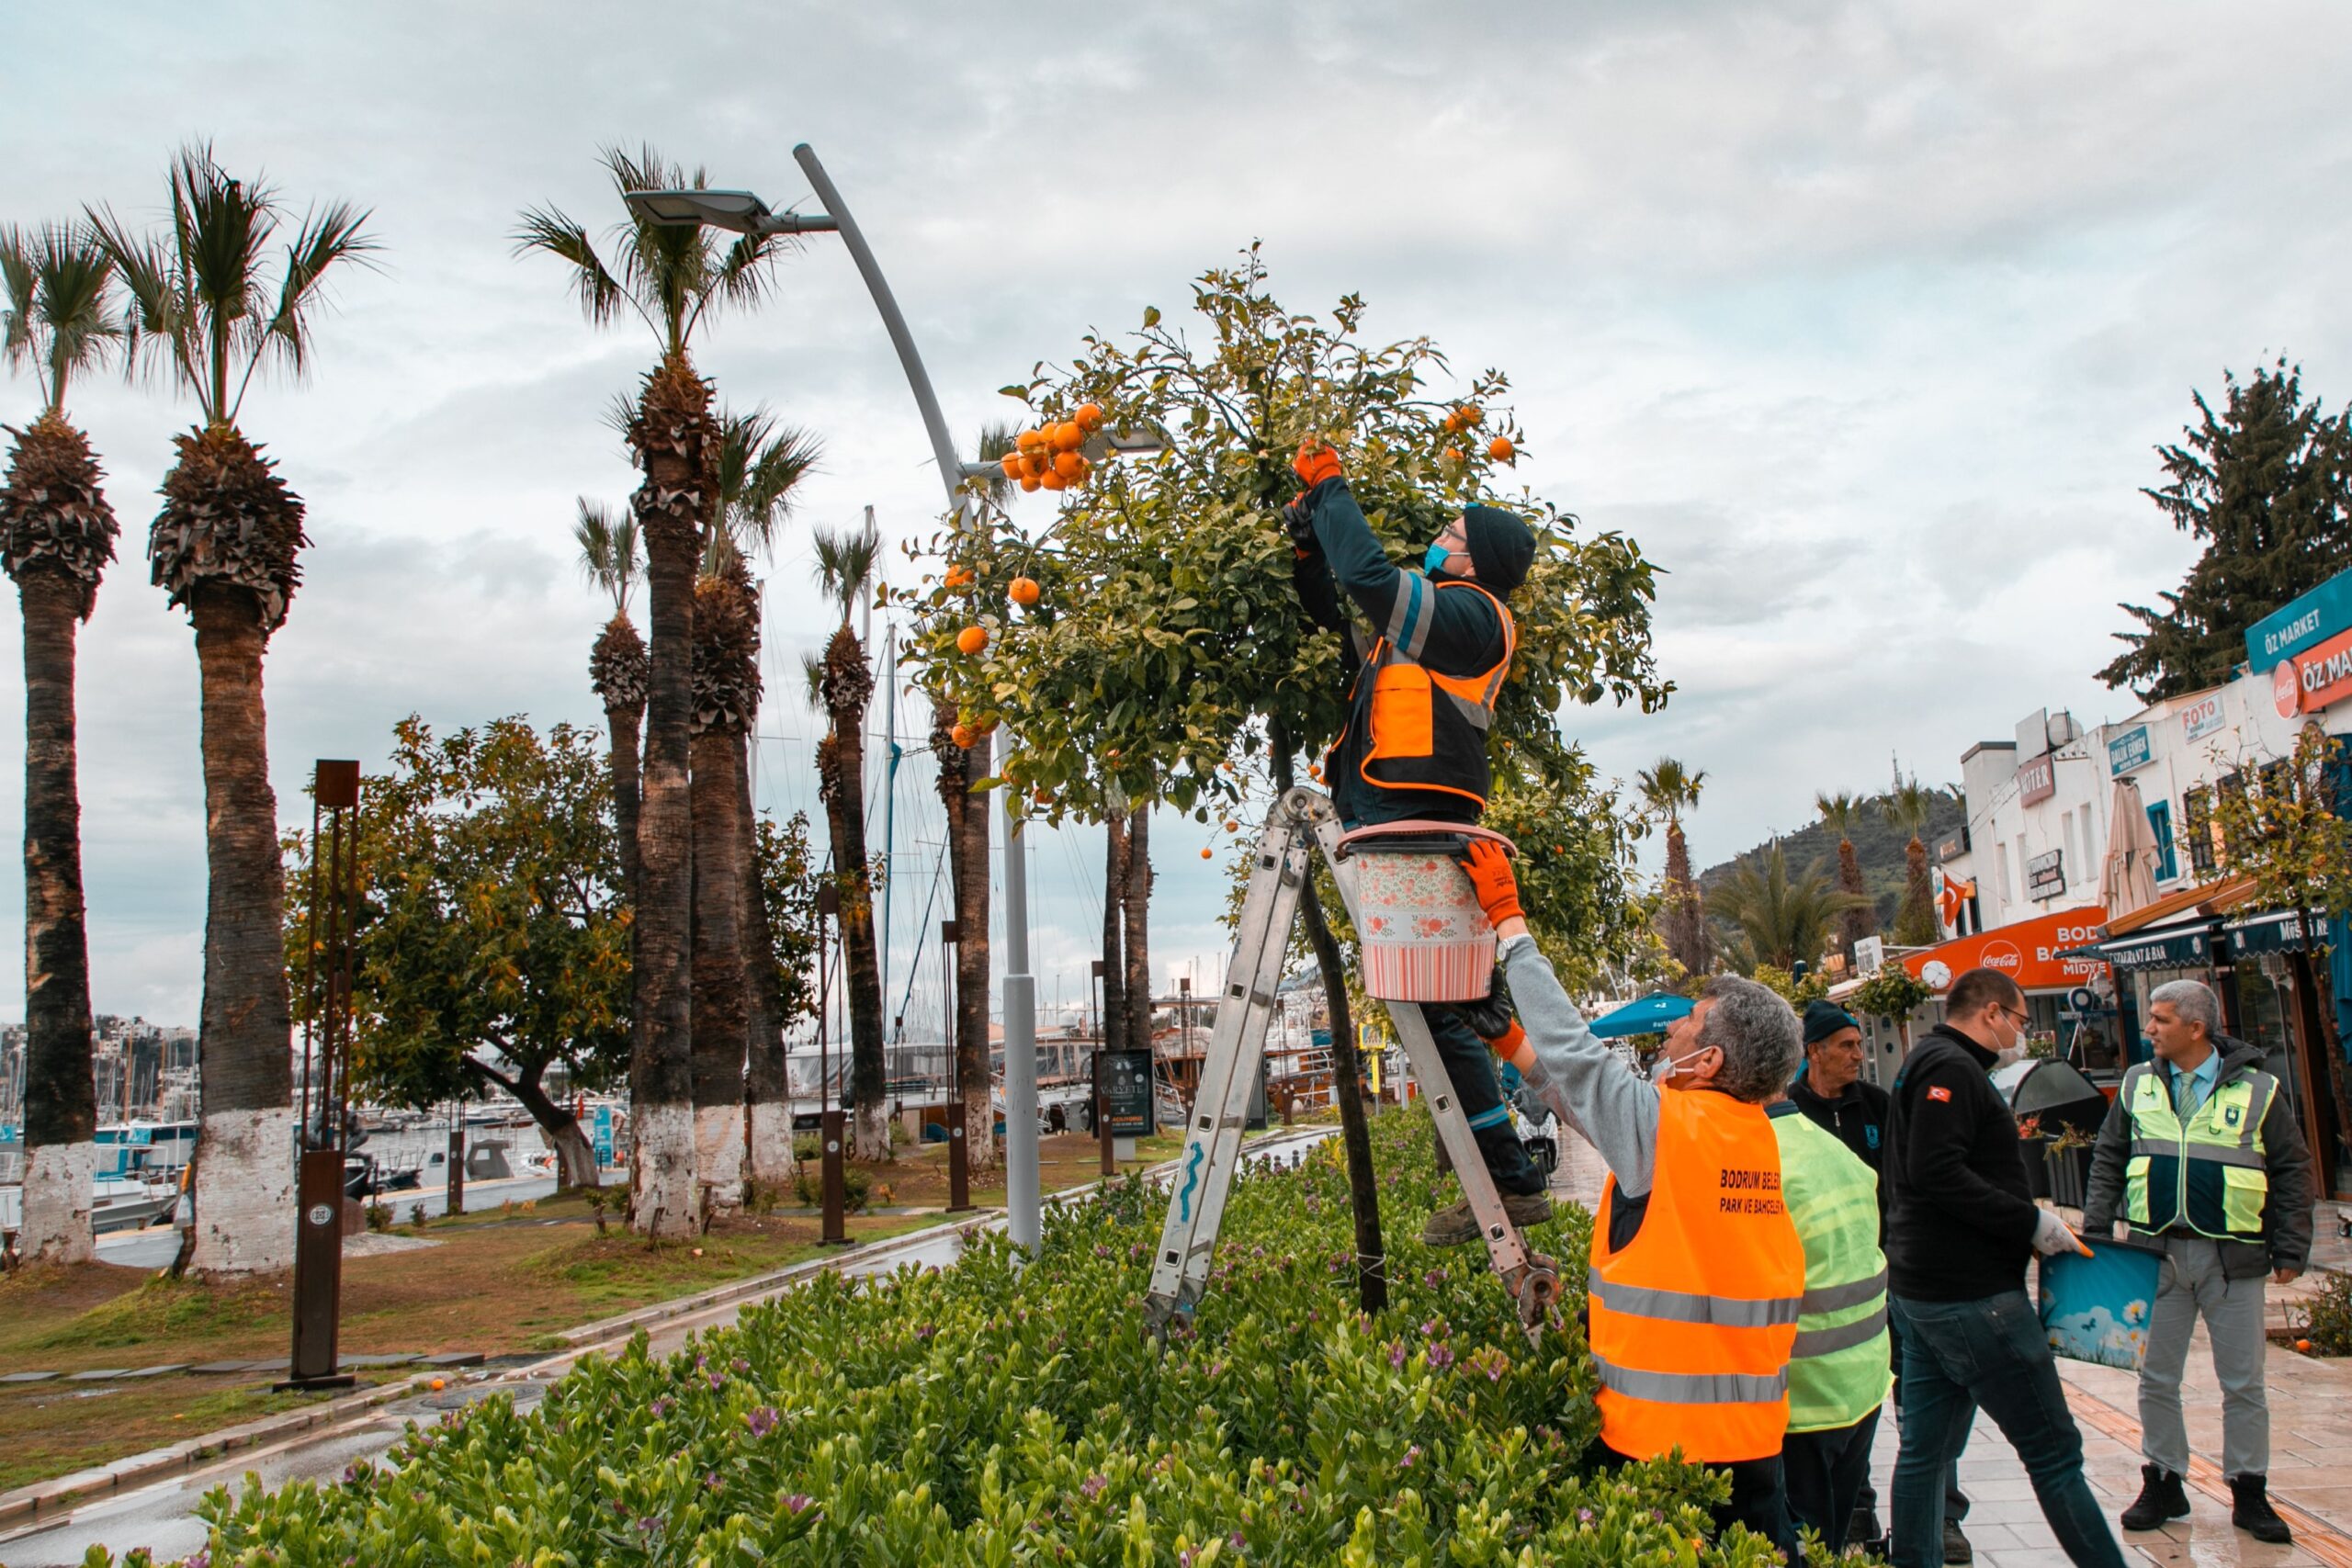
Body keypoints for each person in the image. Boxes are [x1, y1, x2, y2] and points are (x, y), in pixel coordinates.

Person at [1454, 841, 1805, 1554]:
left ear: (1708, 1061)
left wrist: (1509, 923)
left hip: (1663, 1455)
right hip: (1752, 1446)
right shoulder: (1745, 1134)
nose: (1667, 1032)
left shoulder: (1668, 1126)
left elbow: (1581, 1061)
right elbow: (1584, 1102)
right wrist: (1510, 1037)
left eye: (1681, 1027)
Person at [1283, 439, 1547, 1246]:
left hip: (1416, 819)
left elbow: (1370, 579)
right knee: (1447, 1006)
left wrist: (1330, 487)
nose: (1438, 536)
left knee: (1433, 1012)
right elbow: (1339, 606)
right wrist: (1308, 541)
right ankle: (1511, 1156)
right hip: (1393, 810)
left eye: (1450, 531)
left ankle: (1507, 1174)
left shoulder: (1474, 618)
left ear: (1476, 558)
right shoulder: (1425, 631)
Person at [1883, 965, 2125, 1568]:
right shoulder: (1951, 1068)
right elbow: (1934, 1170)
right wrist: (2030, 1223)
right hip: (1973, 1297)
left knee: (1925, 1453)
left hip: (1924, 1290)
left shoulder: (1930, 1061)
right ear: (1990, 1011)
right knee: (2054, 1453)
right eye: (2018, 1018)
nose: (2021, 1031)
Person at [2082, 977, 2312, 1545]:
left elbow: (2293, 1168)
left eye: (2159, 1020)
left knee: (2244, 1382)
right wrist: (2095, 1230)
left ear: (2195, 1027)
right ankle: (2163, 1480)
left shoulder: (2260, 1090)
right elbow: (2109, 1156)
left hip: (2234, 1259)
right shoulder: (2137, 1084)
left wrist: (2292, 1246)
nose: (2149, 1029)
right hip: (2154, 1254)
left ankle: (2249, 1490)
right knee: (2156, 1376)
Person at [1791, 1000, 1973, 1560]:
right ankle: (1859, 1508)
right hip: (1827, 1294)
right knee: (1852, 1399)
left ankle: (1943, 1515)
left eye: (1858, 1044)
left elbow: (1911, 1181)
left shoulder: (1878, 1106)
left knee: (1917, 1398)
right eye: (1845, 1045)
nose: (1858, 1054)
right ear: (1814, 1050)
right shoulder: (1788, 1112)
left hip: (1893, 1276)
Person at [1769, 1082, 1894, 1556]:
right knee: (1831, 1545)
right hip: (1859, 1389)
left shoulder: (1754, 1162)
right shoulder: (1832, 1149)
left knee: (1803, 1546)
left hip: (1802, 1405)